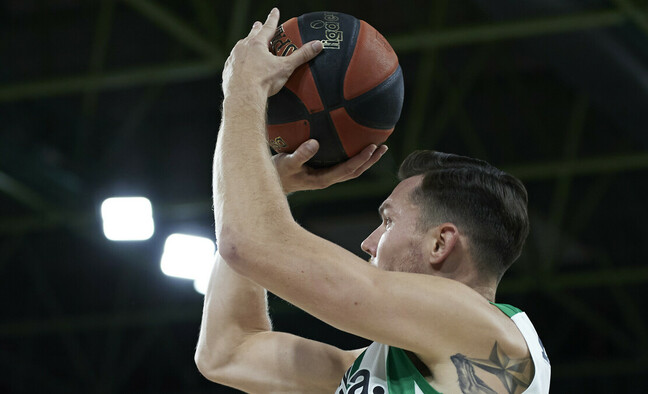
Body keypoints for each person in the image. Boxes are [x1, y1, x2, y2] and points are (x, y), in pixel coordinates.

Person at [195, 8, 551, 394]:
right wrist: (273, 186)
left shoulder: (487, 338)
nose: (367, 242)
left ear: (440, 243)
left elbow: (246, 242)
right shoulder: (373, 368)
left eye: (388, 221)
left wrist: (245, 90)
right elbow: (227, 351)